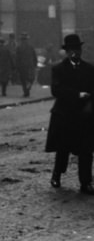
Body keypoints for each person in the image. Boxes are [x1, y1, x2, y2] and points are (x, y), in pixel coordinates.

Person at [45, 34, 94, 193]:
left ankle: (86, 182)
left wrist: (90, 103)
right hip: (65, 115)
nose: (75, 52)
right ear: (67, 52)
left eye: (77, 49)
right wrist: (77, 95)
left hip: (84, 115)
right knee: (63, 148)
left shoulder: (89, 69)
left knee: (86, 150)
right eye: (72, 50)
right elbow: (56, 90)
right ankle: (57, 174)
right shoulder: (58, 69)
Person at [15, 33, 38, 98]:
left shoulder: (19, 47)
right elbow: (34, 56)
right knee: (30, 78)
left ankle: (26, 91)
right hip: (30, 65)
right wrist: (35, 64)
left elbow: (17, 58)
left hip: (22, 66)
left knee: (23, 79)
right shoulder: (31, 47)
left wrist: (17, 66)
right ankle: (28, 87)